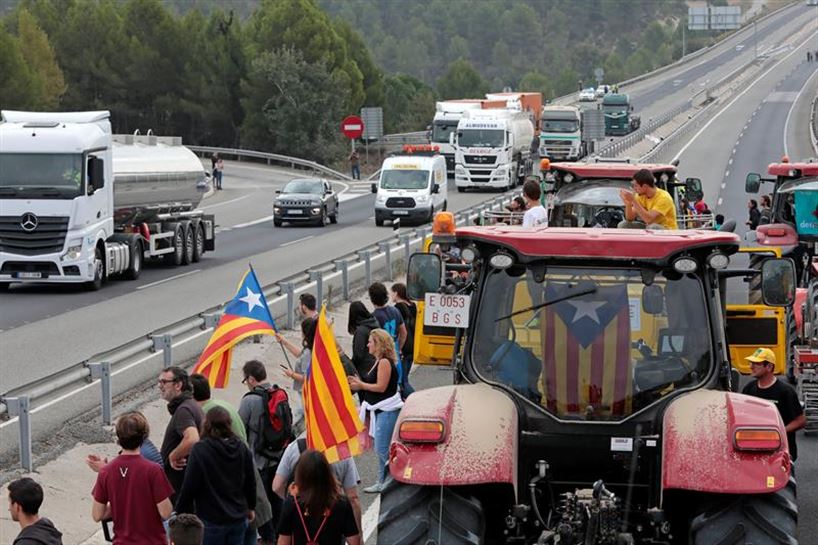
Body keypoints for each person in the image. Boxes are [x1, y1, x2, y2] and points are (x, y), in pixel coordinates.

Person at [189, 374, 272, 545]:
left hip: (223, 510)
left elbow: (192, 482)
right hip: (243, 505)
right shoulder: (222, 406)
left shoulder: (204, 416)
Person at [176, 407, 257, 545]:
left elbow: (190, 485)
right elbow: (251, 481)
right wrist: (250, 506)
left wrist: (180, 511)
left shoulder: (200, 450)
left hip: (211, 518)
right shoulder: (241, 448)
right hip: (237, 516)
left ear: (206, 424)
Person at [91, 412, 174, 545]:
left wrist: (120, 503)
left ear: (118, 438)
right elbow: (165, 512)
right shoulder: (153, 470)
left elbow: (97, 515)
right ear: (143, 437)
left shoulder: (106, 472)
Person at [348, 329, 403, 493]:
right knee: (382, 448)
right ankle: (383, 480)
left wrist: (360, 385)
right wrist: (358, 381)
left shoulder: (384, 362)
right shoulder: (378, 361)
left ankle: (390, 481)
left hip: (387, 410)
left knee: (382, 448)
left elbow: (381, 387)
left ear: (378, 344)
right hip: (380, 410)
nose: (367, 344)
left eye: (370, 341)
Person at [272, 433, 362, 533]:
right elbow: (353, 498)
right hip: (332, 518)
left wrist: (293, 503)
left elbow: (277, 486)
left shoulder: (294, 448)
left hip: (301, 521)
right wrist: (359, 535)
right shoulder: (342, 450)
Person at [238, 360, 281, 545]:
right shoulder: (279, 394)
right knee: (277, 500)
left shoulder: (249, 400)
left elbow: (239, 429)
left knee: (261, 506)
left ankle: (268, 539)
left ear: (251, 379)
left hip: (258, 461)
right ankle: (281, 535)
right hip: (278, 459)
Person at [742, 348, 806, 461]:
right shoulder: (749, 389)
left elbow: (800, 421)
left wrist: (779, 432)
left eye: (756, 364)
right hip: (755, 452)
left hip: (781, 453)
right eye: (751, 363)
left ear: (769, 367)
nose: (751, 366)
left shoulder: (786, 392)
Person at [158, 366, 204, 500]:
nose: (160, 386)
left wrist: (173, 455)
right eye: (159, 382)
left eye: (164, 382)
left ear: (178, 385)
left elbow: (192, 438)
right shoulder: (191, 405)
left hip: (181, 490)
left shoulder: (184, 410)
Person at [276, 317, 317, 422]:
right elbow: (300, 354)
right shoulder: (311, 348)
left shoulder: (308, 352)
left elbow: (306, 377)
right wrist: (284, 342)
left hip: (305, 391)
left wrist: (292, 374)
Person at [368, 282, 407, 387]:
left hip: (383, 354)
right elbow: (403, 332)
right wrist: (398, 348)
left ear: (372, 299)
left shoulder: (374, 317)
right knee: (398, 384)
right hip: (394, 349)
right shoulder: (395, 311)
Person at [7, 478, 63, 545]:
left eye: (10, 503)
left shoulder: (25, 543)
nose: (9, 508)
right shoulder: (48, 527)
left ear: (17, 507)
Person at [391, 282, 417, 397]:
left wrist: (399, 348)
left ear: (396, 293)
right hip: (413, 345)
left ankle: (415, 399)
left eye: (391, 293)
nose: (391, 295)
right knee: (404, 377)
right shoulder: (413, 306)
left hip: (403, 347)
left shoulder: (398, 308)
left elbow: (399, 330)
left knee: (402, 381)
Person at [346, 301, 379, 377]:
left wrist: (351, 366)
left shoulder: (361, 331)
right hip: (374, 363)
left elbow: (358, 354)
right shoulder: (374, 323)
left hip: (364, 369)